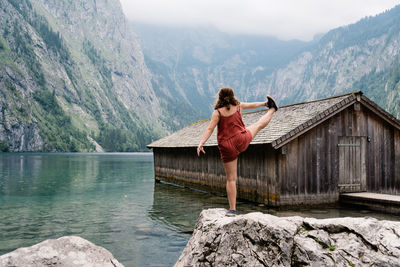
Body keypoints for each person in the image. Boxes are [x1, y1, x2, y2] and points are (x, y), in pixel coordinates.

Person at [197, 87, 278, 216]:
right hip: (241, 139)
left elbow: (209, 129)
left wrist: (201, 143)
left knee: (231, 179)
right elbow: (252, 105)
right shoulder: (238, 106)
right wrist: (265, 104)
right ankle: (272, 110)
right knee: (258, 125)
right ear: (232, 96)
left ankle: (232, 209)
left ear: (219, 97)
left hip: (227, 146)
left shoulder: (217, 113)